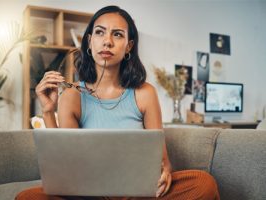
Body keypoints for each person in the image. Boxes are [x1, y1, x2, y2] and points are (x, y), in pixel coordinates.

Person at [16, 5, 220, 200]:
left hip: (136, 192)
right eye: (100, 32)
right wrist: (48, 111)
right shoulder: (72, 94)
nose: (107, 42)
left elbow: (163, 162)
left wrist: (165, 172)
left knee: (204, 183)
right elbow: (63, 164)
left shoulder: (144, 92)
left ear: (129, 46)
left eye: (117, 34)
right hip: (89, 192)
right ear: (89, 41)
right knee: (27, 197)